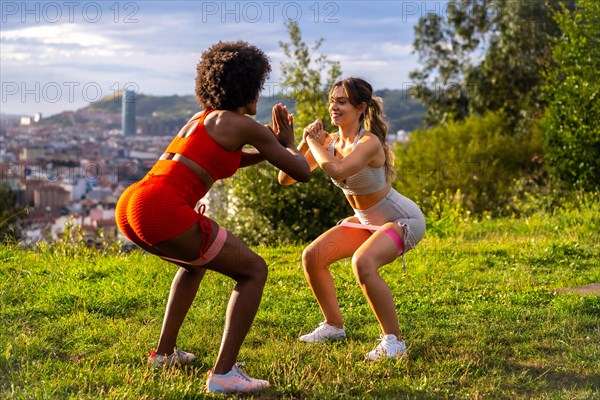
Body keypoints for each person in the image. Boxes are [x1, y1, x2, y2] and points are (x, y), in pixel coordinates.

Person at [115, 40, 310, 393]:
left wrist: (271, 148)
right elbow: (302, 171)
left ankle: (164, 353)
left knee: (194, 264)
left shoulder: (202, 120)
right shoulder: (244, 124)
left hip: (133, 205)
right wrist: (287, 142)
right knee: (254, 270)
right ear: (247, 86)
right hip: (161, 210)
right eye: (258, 88)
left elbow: (230, 157)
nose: (259, 97)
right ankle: (224, 375)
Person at [278, 77, 426, 360]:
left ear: (360, 108)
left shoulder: (369, 142)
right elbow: (286, 177)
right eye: (332, 100)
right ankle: (334, 326)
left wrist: (313, 142)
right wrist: (303, 142)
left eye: (342, 101)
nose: (334, 107)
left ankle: (394, 343)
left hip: (403, 219)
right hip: (366, 219)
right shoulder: (330, 142)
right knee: (313, 256)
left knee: (363, 262)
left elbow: (336, 169)